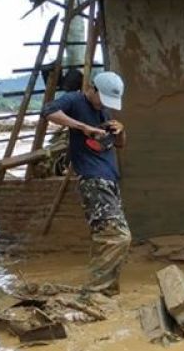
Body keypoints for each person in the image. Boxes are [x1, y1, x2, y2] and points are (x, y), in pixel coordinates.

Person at [39, 71, 131, 296]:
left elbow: (118, 145)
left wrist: (121, 131)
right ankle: (95, 292)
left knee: (105, 239)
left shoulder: (104, 112)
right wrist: (83, 128)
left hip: (109, 180)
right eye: (103, 98)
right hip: (93, 179)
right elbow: (48, 111)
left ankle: (107, 291)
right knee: (118, 237)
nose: (104, 105)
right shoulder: (75, 100)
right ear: (92, 89)